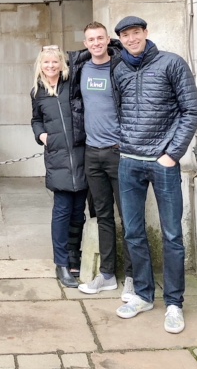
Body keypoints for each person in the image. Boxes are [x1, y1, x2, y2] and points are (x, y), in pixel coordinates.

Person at [112, 16, 197, 334]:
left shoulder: (171, 63)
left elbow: (191, 109)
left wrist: (172, 154)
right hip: (129, 162)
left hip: (163, 163)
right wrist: (123, 143)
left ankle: (174, 303)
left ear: (146, 33)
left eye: (136, 32)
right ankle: (144, 295)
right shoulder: (119, 69)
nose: (131, 39)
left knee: (172, 235)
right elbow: (118, 109)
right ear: (121, 39)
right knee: (133, 232)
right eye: (125, 35)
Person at [69, 22, 134, 301]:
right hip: (92, 152)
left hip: (119, 152)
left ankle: (133, 277)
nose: (95, 43)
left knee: (130, 217)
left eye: (99, 38)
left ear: (108, 40)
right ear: (85, 43)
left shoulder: (121, 67)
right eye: (90, 39)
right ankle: (107, 275)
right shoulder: (80, 70)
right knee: (103, 215)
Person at [31, 45, 87, 288]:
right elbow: (36, 119)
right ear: (40, 66)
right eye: (46, 62)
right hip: (57, 157)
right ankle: (62, 263)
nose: (51, 66)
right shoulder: (37, 92)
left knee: (78, 212)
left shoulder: (71, 84)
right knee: (62, 211)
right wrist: (42, 135)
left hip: (81, 154)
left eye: (55, 61)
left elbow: (85, 56)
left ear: (62, 64)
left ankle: (75, 255)